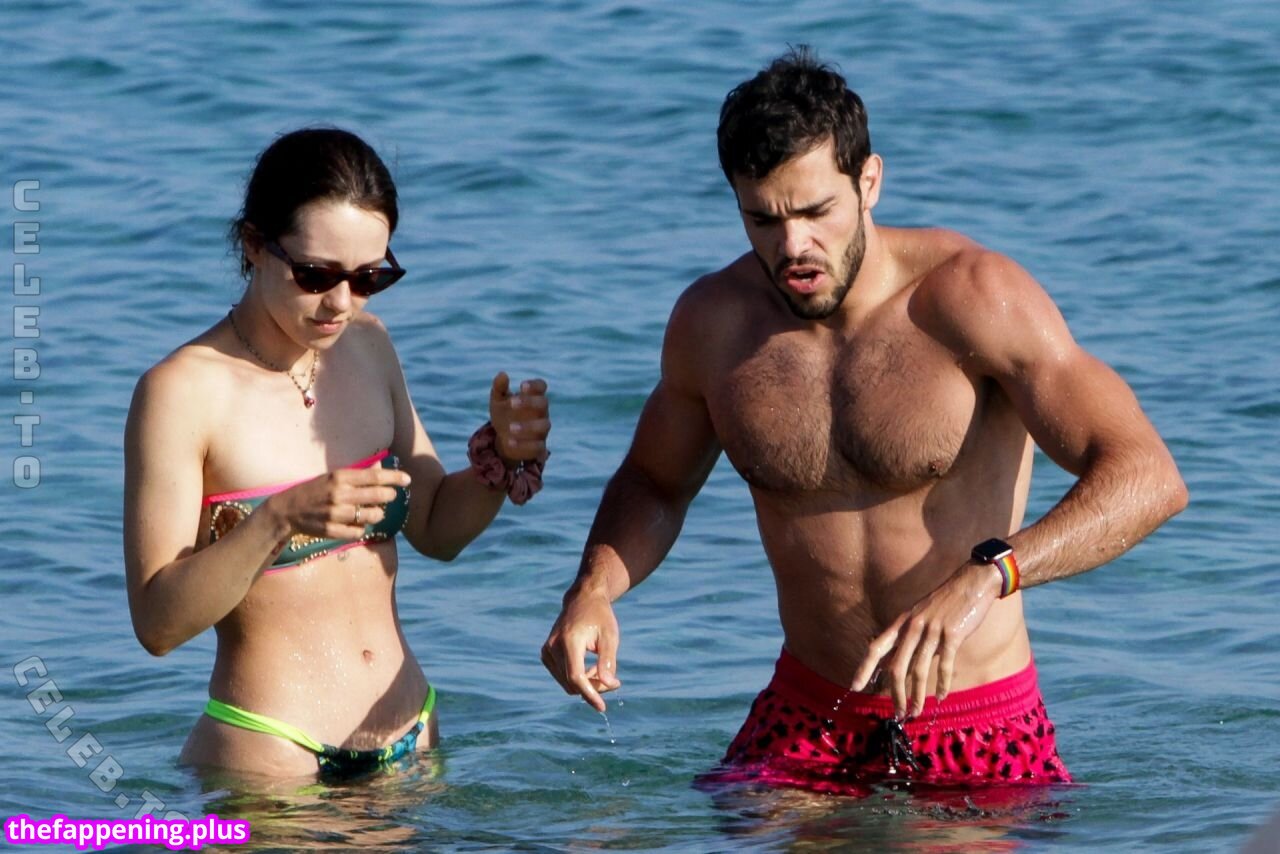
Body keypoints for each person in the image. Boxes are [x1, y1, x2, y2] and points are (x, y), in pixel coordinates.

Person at [541, 47, 1186, 792]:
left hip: (975, 723)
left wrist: (990, 574)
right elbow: (656, 483)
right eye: (763, 219)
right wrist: (592, 590)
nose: (793, 247)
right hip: (805, 715)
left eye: (816, 212)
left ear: (868, 181)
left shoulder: (973, 299)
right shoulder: (714, 325)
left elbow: (1147, 476)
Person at [124, 127, 550, 779]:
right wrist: (279, 519)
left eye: (369, 277)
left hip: (411, 738)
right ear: (254, 245)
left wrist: (499, 463)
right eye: (316, 275)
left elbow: (436, 526)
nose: (341, 303)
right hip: (273, 757)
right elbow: (157, 623)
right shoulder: (181, 392)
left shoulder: (369, 345)